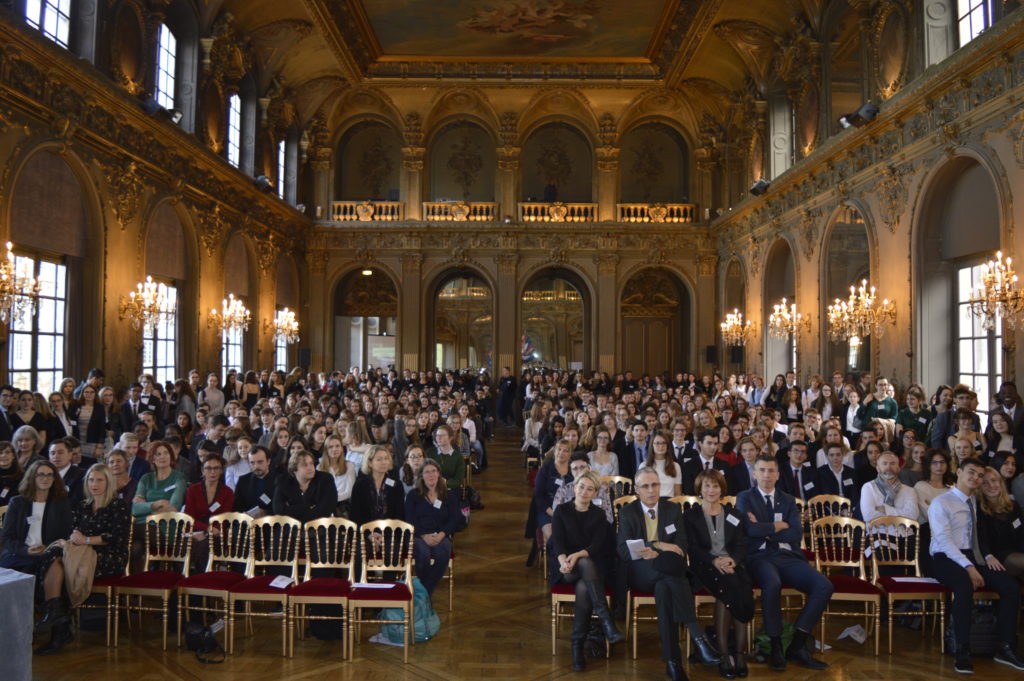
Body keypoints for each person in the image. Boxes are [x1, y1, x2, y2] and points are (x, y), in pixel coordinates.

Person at [617, 466, 721, 681]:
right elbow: (624, 550)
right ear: (637, 489)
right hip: (640, 571)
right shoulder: (628, 511)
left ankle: (673, 663)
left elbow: (681, 545)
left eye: (654, 484)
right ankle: (698, 637)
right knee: (668, 563)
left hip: (666, 573)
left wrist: (661, 549)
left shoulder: (672, 510)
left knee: (665, 587)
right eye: (645, 486)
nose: (651, 490)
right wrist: (659, 544)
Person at [928, 457, 1024, 673]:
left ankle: (1005, 646)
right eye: (971, 472)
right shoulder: (941, 502)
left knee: (1009, 586)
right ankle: (962, 649)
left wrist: (982, 560)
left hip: (972, 557)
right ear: (959, 472)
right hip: (945, 557)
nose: (976, 478)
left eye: (980, 475)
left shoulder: (975, 502)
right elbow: (944, 540)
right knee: (964, 586)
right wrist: (969, 567)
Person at [736, 454, 831, 671]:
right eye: (762, 470)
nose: (767, 475)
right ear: (754, 473)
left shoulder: (788, 500)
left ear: (778, 475)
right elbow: (748, 530)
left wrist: (764, 528)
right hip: (759, 557)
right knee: (772, 584)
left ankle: (797, 643)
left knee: (824, 585)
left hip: (788, 557)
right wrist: (779, 526)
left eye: (771, 471)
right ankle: (775, 644)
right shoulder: (744, 498)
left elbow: (796, 535)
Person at [34, 463, 130, 654]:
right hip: (82, 553)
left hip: (110, 557)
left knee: (57, 562)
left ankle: (57, 623)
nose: (94, 484)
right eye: (91, 480)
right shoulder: (83, 505)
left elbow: (117, 538)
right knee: (54, 557)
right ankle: (58, 620)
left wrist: (86, 540)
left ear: (108, 481)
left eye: (99, 480)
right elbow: (74, 530)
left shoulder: (118, 505)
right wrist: (75, 537)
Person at [683, 469, 754, 679]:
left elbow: (741, 545)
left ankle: (739, 655)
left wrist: (733, 560)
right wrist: (714, 560)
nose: (711, 490)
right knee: (728, 590)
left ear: (721, 489)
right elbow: (692, 548)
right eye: (707, 486)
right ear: (699, 489)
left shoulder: (733, 515)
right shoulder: (690, 515)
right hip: (704, 567)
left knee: (739, 587)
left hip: (732, 566)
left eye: (715, 486)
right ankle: (725, 655)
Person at [551, 469, 621, 672]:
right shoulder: (562, 511)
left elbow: (597, 546)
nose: (584, 491)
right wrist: (564, 560)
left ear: (595, 493)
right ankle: (605, 619)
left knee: (584, 586)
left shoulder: (599, 514)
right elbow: (557, 542)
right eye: (581, 486)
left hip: (590, 566)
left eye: (590, 489)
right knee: (583, 565)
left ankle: (577, 647)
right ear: (574, 488)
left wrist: (578, 555)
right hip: (565, 568)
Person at [0, 460, 72, 574]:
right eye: (41, 474)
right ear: (32, 477)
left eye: (50, 475)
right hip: (20, 553)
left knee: (42, 567)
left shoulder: (61, 504)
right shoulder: (17, 503)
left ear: (54, 479)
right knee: (27, 570)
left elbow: (66, 534)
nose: (45, 478)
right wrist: (26, 550)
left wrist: (48, 548)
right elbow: (6, 537)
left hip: (49, 553)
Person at [405, 458, 461, 597]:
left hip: (441, 534)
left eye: (434, 471)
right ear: (421, 476)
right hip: (418, 535)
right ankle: (425, 591)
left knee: (443, 553)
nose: (431, 475)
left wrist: (442, 534)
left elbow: (454, 520)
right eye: (426, 472)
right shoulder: (413, 495)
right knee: (423, 554)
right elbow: (409, 519)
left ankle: (425, 590)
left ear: (439, 474)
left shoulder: (449, 495)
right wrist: (424, 535)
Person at [184, 452, 234, 571]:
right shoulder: (192, 490)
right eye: (208, 468)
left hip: (217, 532)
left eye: (216, 468)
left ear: (221, 471)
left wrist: (209, 532)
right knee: (186, 546)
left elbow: (225, 517)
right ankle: (184, 581)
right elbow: (189, 517)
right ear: (202, 470)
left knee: (205, 546)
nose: (213, 472)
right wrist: (204, 529)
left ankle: (202, 581)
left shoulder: (228, 492)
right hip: (194, 529)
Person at [978, 466, 1024, 577]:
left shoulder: (1013, 505)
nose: (991, 485)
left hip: (1018, 552)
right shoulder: (979, 510)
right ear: (979, 487)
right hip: (996, 557)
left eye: (994, 480)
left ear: (1000, 482)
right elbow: (980, 539)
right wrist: (988, 555)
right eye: (985, 483)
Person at [273, 449, 337, 523]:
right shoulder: (283, 482)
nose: (310, 467)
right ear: (294, 469)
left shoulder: (325, 480)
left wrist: (291, 508)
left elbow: (325, 510)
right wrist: (309, 507)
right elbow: (279, 511)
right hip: (292, 529)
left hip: (321, 527)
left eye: (311, 463)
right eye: (304, 465)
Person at [131, 440, 187, 524]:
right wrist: (156, 504)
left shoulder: (179, 478)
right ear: (152, 459)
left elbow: (173, 508)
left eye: (166, 453)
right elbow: (135, 509)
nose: (163, 457)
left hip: (165, 525)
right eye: (158, 454)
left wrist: (145, 506)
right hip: (142, 525)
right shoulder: (146, 478)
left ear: (171, 456)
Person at [349, 445, 404, 526]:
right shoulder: (360, 485)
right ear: (370, 463)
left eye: (386, 458)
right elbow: (355, 514)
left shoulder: (396, 484)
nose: (384, 462)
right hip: (365, 532)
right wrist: (368, 533)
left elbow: (399, 514)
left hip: (390, 533)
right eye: (379, 459)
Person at [533, 439, 574, 546]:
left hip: (570, 512)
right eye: (559, 449)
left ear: (570, 454)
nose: (561, 453)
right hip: (548, 511)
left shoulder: (574, 470)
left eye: (565, 451)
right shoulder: (545, 470)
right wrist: (553, 512)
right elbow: (538, 496)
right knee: (554, 537)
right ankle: (558, 561)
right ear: (554, 451)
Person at [859, 451, 917, 523]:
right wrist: (901, 513)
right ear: (878, 468)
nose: (888, 467)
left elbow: (913, 516)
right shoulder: (868, 487)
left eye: (892, 463)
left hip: (904, 533)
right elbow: (868, 516)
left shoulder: (909, 491)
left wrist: (885, 509)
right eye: (884, 463)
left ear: (898, 468)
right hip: (878, 532)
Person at [232, 446, 278, 518]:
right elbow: (236, 507)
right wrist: (243, 515)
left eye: (260, 462)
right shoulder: (243, 481)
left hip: (272, 524)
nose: (256, 466)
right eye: (252, 463)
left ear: (268, 461)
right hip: (248, 524)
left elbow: (283, 509)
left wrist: (266, 512)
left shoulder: (279, 481)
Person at [681, 428, 729, 495]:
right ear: (700, 443)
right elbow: (688, 490)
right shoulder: (688, 466)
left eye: (715, 444)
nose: (713, 447)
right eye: (709, 443)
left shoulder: (725, 465)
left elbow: (727, 489)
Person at [319, 433, 356, 517]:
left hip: (342, 507)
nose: (334, 449)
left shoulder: (349, 466)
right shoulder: (319, 468)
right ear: (326, 450)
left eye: (337, 446)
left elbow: (349, 492)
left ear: (342, 449)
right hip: (325, 508)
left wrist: (330, 499)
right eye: (330, 447)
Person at [48, 438, 85, 504]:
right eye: (52, 453)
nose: (56, 456)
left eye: (60, 452)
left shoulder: (81, 475)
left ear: (70, 455)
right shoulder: (46, 474)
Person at [646, 430, 682, 497]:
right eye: (657, 443)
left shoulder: (676, 466)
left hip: (670, 503)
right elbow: (641, 493)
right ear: (652, 445)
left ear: (668, 446)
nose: (661, 446)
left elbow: (677, 493)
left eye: (664, 443)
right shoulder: (644, 466)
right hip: (651, 503)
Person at [0, 441, 22, 507]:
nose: (4, 455)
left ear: (13, 456)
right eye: (0, 453)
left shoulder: (22, 476)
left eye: (7, 452)